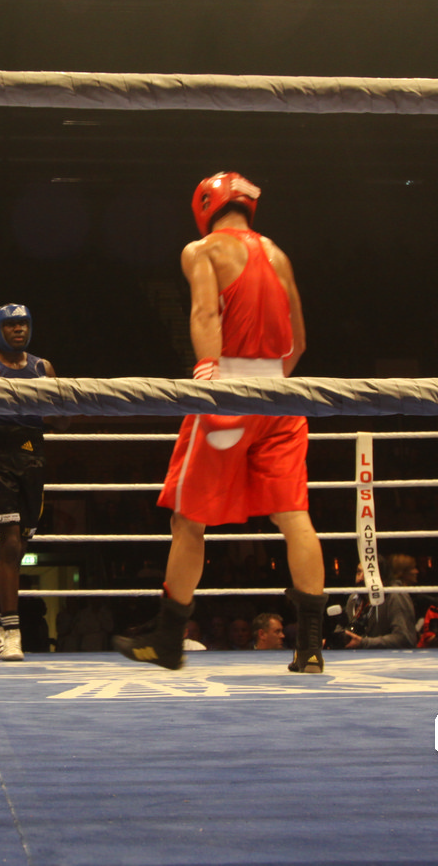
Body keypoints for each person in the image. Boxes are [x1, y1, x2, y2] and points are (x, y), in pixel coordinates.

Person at [113, 171, 328, 673]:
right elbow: (298, 339)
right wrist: (267, 379)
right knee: (294, 515)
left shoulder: (203, 249)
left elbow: (206, 315)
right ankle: (311, 648)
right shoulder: (278, 254)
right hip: (281, 395)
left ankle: (169, 641)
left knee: (189, 519)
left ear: (206, 205)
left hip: (227, 388)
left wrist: (212, 380)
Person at [0, 303, 71, 661]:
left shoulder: (42, 368)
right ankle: (11, 632)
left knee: (18, 547)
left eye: (23, 323)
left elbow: (63, 423)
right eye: (10, 324)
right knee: (9, 544)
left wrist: (50, 404)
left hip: (34, 453)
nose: (18, 329)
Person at [341, 553, 420, 649]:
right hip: (359, 655)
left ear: (380, 576)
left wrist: (363, 642)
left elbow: (405, 638)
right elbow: (344, 630)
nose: (360, 577)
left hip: (392, 656)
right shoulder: (354, 599)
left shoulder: (395, 595)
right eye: (358, 572)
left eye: (367, 574)